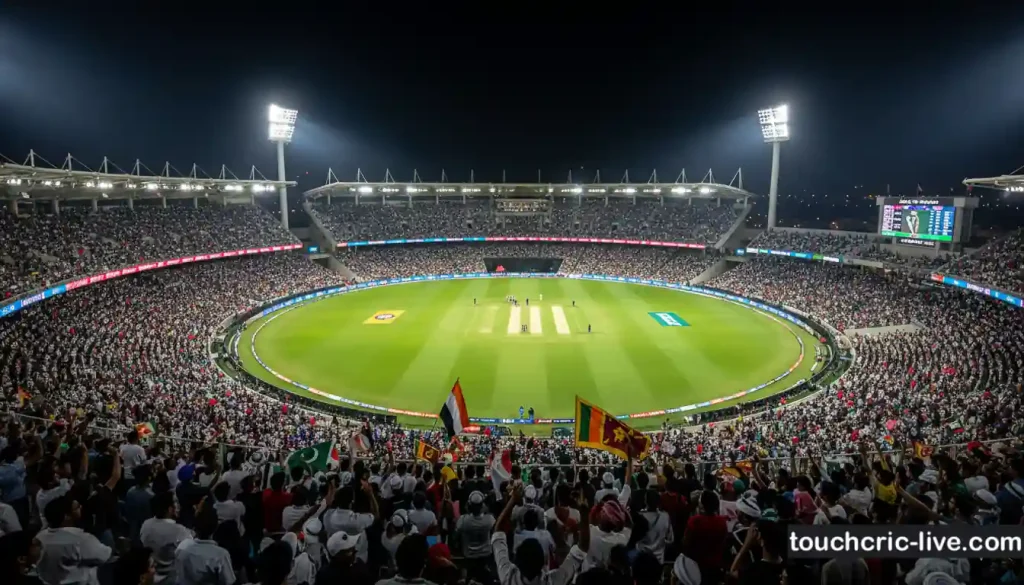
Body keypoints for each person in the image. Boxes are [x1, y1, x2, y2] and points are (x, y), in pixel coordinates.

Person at [35, 495, 113, 585]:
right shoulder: (80, 539)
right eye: (77, 508)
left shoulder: (39, 536)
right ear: (66, 516)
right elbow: (105, 556)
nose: (81, 508)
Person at [140, 491, 192, 584]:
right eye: (176, 502)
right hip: (171, 578)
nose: (179, 506)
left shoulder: (146, 524)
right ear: (169, 509)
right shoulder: (179, 531)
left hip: (150, 576)